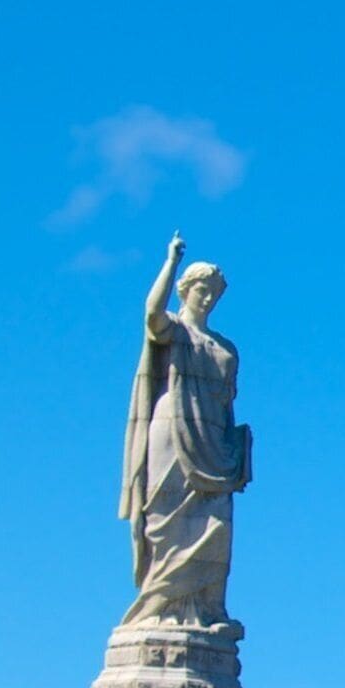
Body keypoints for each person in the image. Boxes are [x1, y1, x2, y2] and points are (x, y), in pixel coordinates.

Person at [118, 236, 252, 626]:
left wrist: (235, 452)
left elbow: (227, 404)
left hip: (216, 447)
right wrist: (171, 262)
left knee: (218, 526)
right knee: (166, 521)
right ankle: (159, 610)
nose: (207, 298)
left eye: (214, 292)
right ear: (185, 289)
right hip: (171, 434)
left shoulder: (227, 348)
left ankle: (206, 609)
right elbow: (151, 313)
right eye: (200, 289)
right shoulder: (175, 330)